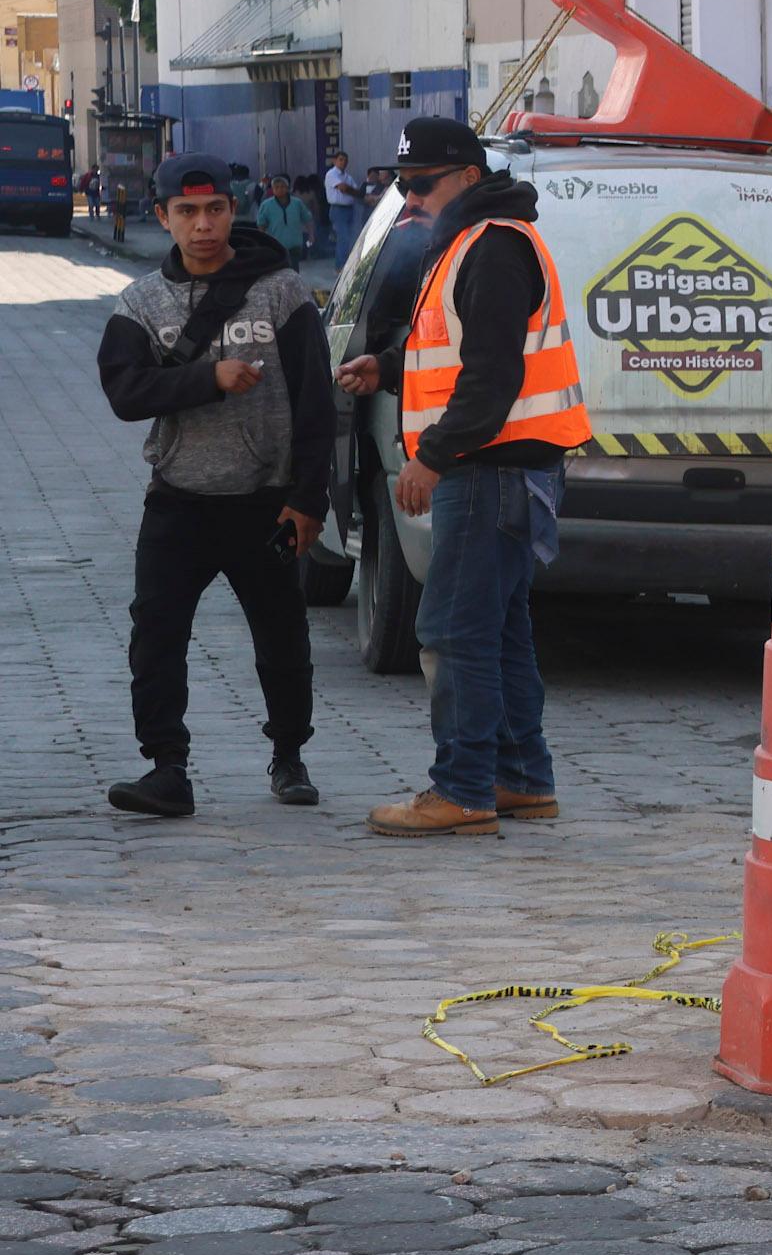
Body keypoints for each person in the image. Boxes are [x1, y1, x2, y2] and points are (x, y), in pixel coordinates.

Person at [334, 118, 593, 835]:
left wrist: (431, 457)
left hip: (489, 471)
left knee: (453, 631)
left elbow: (490, 381)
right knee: (499, 632)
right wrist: (386, 367)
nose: (408, 199)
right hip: (503, 470)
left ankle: (463, 790)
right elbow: (450, 350)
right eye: (400, 184)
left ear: (469, 180)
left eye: (421, 185)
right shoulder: (471, 244)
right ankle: (519, 779)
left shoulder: (494, 249)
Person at [95, 154, 335, 817]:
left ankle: (289, 755)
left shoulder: (282, 292)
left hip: (267, 501)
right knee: (156, 636)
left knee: (282, 635)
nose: (203, 225)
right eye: (187, 213)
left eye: (216, 210)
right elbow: (124, 391)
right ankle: (167, 769)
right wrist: (209, 378)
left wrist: (309, 499)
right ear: (163, 217)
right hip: (179, 501)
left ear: (234, 210)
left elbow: (318, 404)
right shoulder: (141, 303)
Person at [250, 175, 314, 260]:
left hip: (294, 244)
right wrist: (263, 241)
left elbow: (307, 219)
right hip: (275, 245)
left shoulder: (297, 203)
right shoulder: (266, 205)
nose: (280, 189)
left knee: (293, 269)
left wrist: (311, 235)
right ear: (272, 190)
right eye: (276, 187)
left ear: (287, 188)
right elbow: (261, 224)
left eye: (283, 187)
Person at [324, 148, 364, 265]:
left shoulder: (347, 176)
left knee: (349, 237)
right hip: (338, 209)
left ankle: (346, 264)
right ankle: (340, 266)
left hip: (349, 209)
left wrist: (354, 192)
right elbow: (343, 188)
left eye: (345, 160)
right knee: (343, 238)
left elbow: (356, 190)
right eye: (340, 160)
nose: (343, 162)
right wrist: (353, 191)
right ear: (334, 161)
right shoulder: (331, 174)